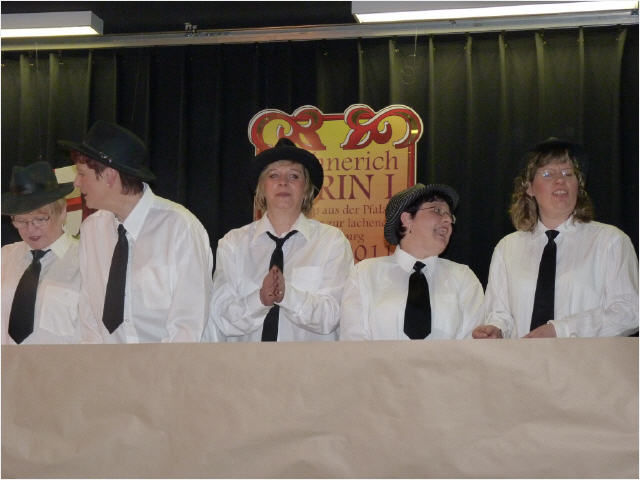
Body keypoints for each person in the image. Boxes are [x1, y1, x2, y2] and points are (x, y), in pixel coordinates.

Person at [59, 120, 215, 343]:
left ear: (110, 176)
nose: (76, 182)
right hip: (109, 364)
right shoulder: (92, 230)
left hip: (170, 363)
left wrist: (154, 366)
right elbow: (89, 317)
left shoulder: (179, 227)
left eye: (82, 174)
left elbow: (188, 324)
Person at [474, 138, 638, 339]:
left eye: (568, 173)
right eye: (547, 174)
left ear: (579, 185)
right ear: (529, 188)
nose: (560, 180)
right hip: (522, 358)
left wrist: (560, 330)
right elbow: (500, 314)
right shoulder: (507, 247)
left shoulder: (610, 241)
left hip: (587, 359)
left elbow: (629, 312)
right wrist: (496, 329)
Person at [205, 137, 354, 342]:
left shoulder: (331, 242)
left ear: (307, 190)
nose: (283, 182)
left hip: (311, 362)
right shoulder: (233, 244)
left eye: (294, 176)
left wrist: (287, 295)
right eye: (273, 175)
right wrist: (260, 299)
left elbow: (334, 315)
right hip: (247, 361)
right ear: (261, 188)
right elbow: (221, 318)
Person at [340, 183, 484, 340]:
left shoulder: (463, 278)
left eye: (451, 216)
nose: (448, 220)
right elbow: (353, 343)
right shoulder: (364, 274)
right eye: (437, 210)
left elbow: (471, 345)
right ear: (407, 219)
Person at [1, 161, 80, 344]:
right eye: (21, 221)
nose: (31, 229)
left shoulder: (85, 259)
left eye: (40, 219)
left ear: (63, 212)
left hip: (63, 361)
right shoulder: (4, 257)